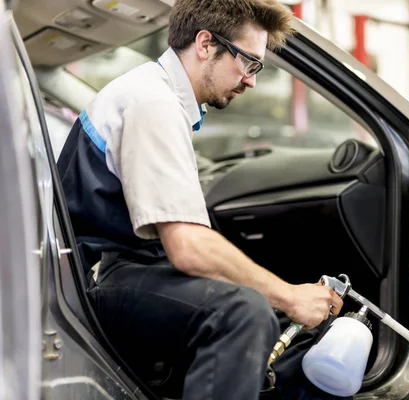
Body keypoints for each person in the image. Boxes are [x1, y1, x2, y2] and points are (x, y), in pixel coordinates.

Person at [56, 0, 348, 399]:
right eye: (249, 63)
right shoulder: (152, 103)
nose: (251, 81)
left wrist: (280, 297)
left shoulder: (157, 94)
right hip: (93, 285)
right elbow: (189, 248)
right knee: (242, 313)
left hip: (114, 270)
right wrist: (289, 295)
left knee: (271, 316)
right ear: (206, 44)